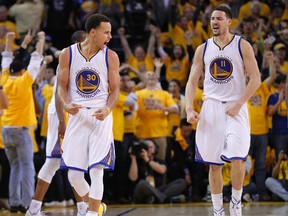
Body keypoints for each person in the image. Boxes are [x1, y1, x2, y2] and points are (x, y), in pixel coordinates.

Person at [185, 4, 261, 216]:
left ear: (229, 22)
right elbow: (192, 82)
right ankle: (218, 209)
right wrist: (189, 109)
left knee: (238, 157)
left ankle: (236, 203)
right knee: (214, 164)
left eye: (219, 19)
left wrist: (240, 102)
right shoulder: (203, 48)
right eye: (212, 19)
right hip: (211, 107)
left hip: (236, 106)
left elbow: (256, 79)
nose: (214, 22)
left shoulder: (242, 45)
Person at [57, 14, 120, 216]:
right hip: (78, 115)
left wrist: (108, 109)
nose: (110, 36)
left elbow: (116, 90)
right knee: (74, 176)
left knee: (96, 169)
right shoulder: (68, 54)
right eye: (106, 32)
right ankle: (97, 207)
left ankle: (92, 213)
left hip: (100, 115)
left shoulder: (110, 56)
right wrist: (66, 103)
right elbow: (61, 86)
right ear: (93, 32)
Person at [25, 30, 90, 216]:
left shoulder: (81, 59)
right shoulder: (70, 58)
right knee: (58, 161)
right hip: (62, 114)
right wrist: (62, 121)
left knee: (62, 162)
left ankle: (79, 208)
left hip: (69, 113)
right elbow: (58, 93)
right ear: (80, 41)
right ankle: (81, 208)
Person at [1, 30, 45, 213]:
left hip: (5, 131)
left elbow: (6, 56)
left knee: (15, 168)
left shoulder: (3, 77)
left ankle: (15, 202)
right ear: (21, 71)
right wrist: (40, 39)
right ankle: (29, 204)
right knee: (28, 168)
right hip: (20, 130)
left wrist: (10, 40)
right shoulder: (25, 80)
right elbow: (37, 57)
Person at [128, 139, 186, 204]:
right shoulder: (137, 161)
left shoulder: (159, 161)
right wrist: (133, 158)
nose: (148, 149)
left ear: (155, 149)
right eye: (145, 147)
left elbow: (162, 170)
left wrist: (147, 160)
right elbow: (133, 178)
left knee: (181, 182)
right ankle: (167, 199)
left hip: (157, 190)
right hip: (141, 193)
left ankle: (156, 198)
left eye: (150, 147)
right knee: (142, 183)